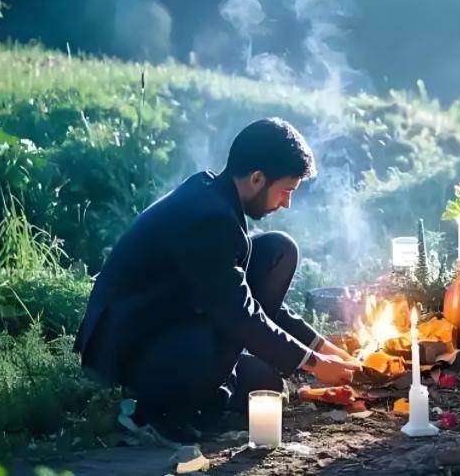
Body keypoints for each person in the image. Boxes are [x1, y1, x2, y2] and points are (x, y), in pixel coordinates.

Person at [74, 117, 360, 441]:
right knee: (231, 338)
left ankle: (210, 390)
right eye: (285, 191)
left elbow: (245, 297)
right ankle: (151, 414)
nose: (286, 203)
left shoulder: (216, 196)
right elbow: (238, 313)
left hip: (173, 319)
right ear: (257, 178)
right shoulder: (210, 220)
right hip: (131, 344)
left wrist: (325, 350)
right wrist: (313, 363)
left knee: (277, 253)